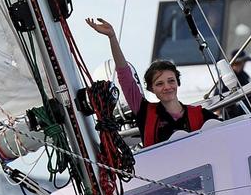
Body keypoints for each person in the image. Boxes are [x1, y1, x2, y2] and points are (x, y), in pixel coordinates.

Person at [86, 17, 218, 147]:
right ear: (151, 89)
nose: (167, 87)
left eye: (171, 81)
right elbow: (124, 76)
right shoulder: (144, 111)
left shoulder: (201, 114)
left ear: (178, 83)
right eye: (159, 84)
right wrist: (112, 37)